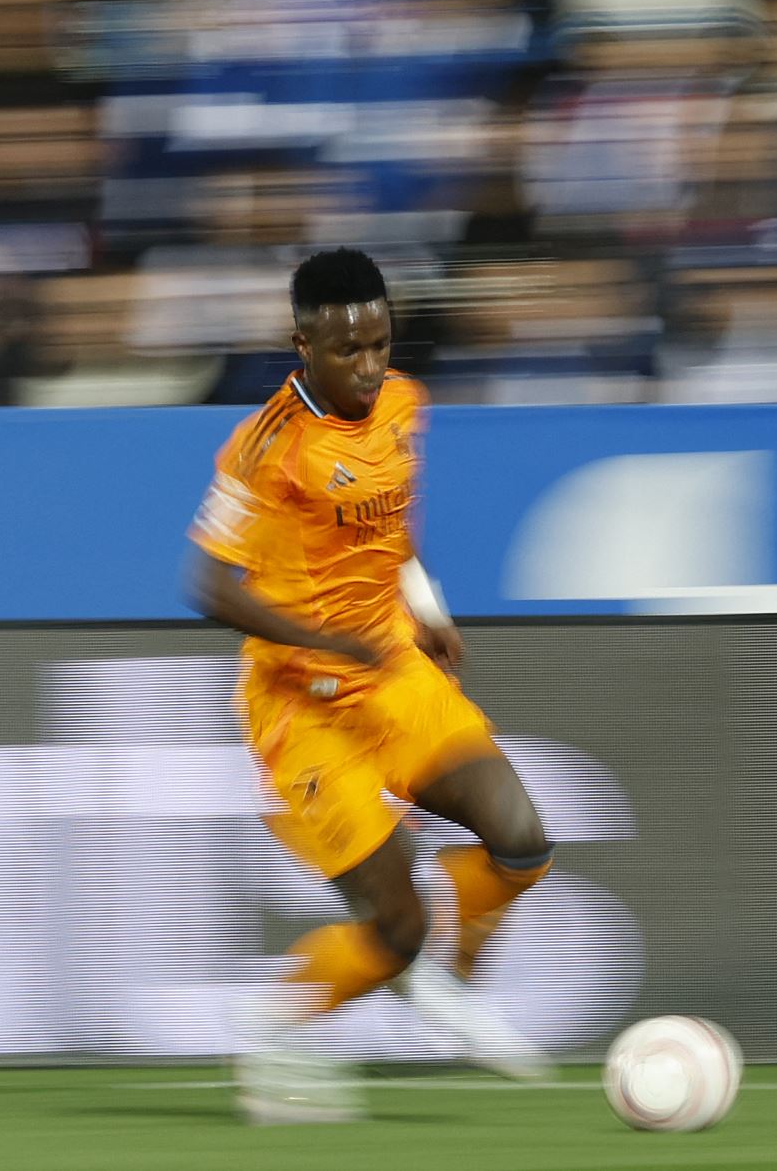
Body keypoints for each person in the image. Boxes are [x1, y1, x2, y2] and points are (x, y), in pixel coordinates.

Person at [185, 247, 555, 1124]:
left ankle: (447, 995)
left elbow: (390, 530)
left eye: (381, 345)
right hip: (300, 705)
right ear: (302, 343)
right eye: (348, 350)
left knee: (522, 840)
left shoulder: (404, 405)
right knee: (398, 929)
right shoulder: (265, 446)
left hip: (389, 670)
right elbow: (208, 586)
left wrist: (425, 603)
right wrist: (325, 641)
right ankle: (270, 1021)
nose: (369, 366)